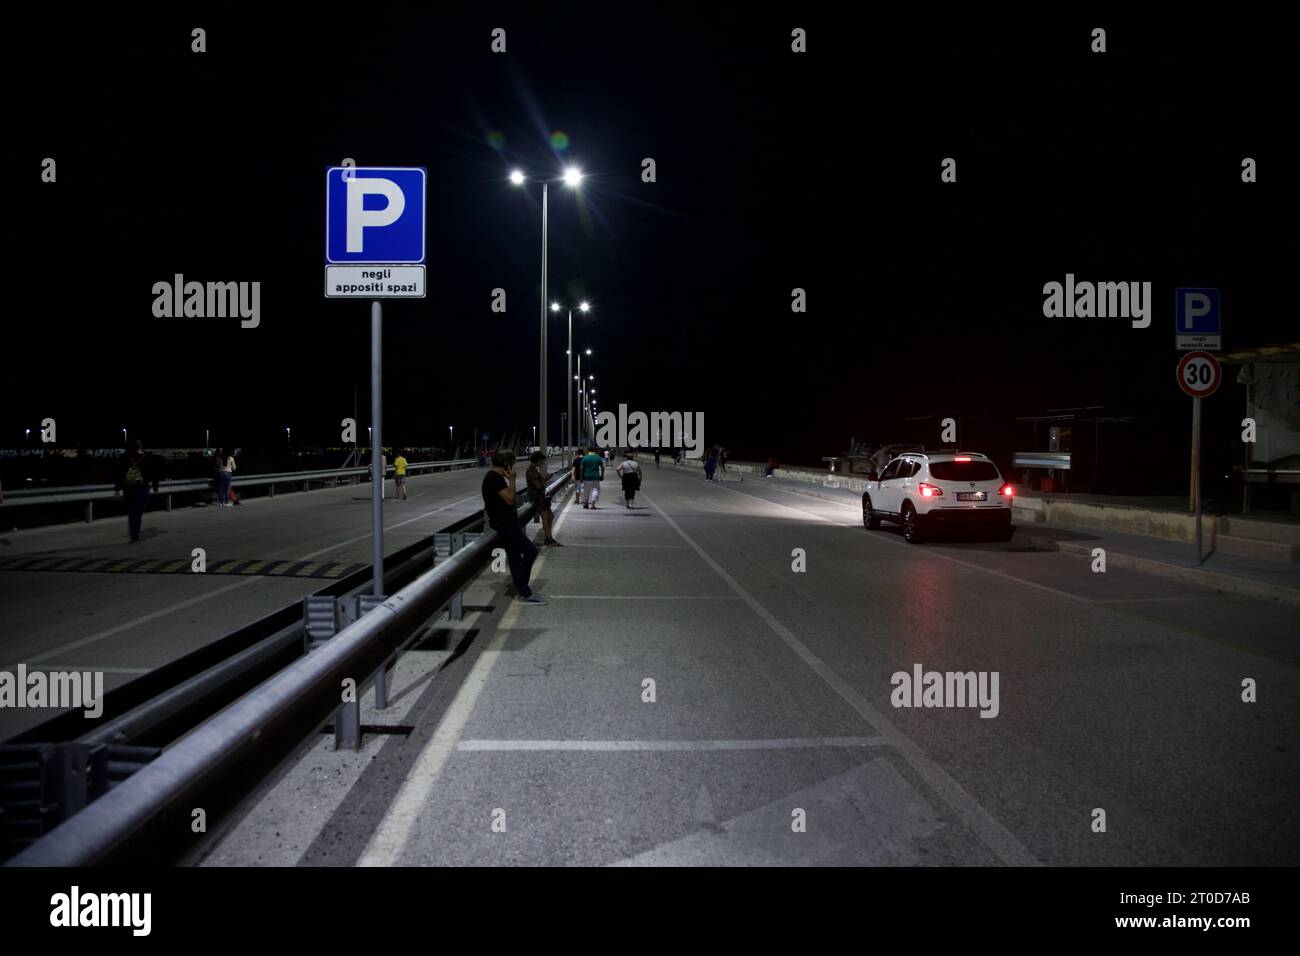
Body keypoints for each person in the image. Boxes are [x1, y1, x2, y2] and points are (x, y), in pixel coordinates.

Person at [482, 450, 545, 604]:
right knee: (530, 551)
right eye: (513, 464)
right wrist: (512, 480)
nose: (514, 468)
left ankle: (524, 590)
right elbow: (510, 500)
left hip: (507, 523)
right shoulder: (494, 479)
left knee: (515, 558)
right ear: (507, 465)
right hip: (505, 525)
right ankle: (523, 587)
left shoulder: (494, 477)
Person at [114, 439, 160, 542]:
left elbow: (120, 474)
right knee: (138, 513)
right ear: (140, 447)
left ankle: (134, 535)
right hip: (142, 488)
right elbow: (153, 473)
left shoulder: (124, 458)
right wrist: (155, 487)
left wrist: (117, 488)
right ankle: (135, 535)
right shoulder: (146, 458)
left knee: (132, 513)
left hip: (128, 488)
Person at [527, 451, 561, 546]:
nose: (542, 463)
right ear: (538, 460)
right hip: (537, 497)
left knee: (550, 516)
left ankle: (549, 538)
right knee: (546, 517)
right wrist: (546, 478)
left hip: (541, 496)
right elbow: (538, 486)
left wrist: (546, 478)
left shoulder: (534, 469)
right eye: (541, 460)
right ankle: (549, 539)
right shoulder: (531, 471)